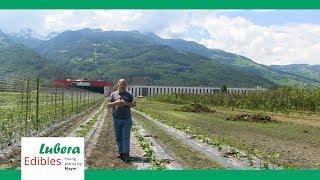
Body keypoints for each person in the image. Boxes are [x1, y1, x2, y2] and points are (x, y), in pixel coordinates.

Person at [106, 79, 136, 162]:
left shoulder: (129, 94)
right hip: (117, 119)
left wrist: (125, 103)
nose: (123, 86)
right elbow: (108, 105)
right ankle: (121, 153)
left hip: (127, 119)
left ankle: (126, 154)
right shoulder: (113, 94)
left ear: (126, 86)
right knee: (118, 137)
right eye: (121, 84)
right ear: (118, 85)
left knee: (126, 137)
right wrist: (116, 103)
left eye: (124, 84)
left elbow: (134, 104)